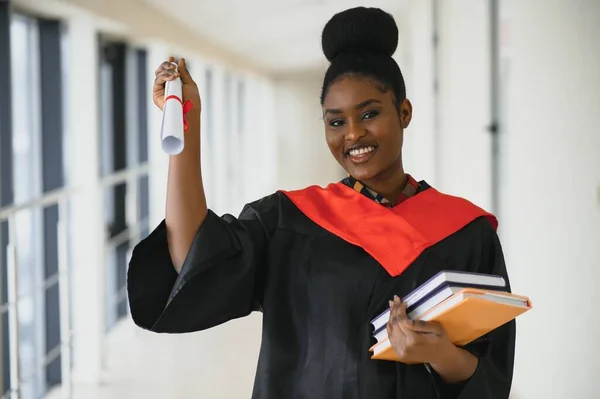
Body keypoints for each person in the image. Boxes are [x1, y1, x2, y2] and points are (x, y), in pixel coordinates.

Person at [127, 6, 515, 399]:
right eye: (336, 121)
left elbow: (492, 376)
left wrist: (439, 353)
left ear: (404, 112)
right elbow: (192, 252)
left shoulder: (467, 232)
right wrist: (186, 132)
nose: (353, 134)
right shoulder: (287, 222)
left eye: (369, 114)